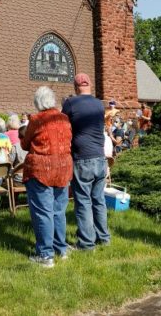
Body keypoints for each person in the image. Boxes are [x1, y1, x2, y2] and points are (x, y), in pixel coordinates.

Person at [22, 86, 73, 268]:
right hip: (63, 167)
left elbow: (25, 143)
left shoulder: (36, 119)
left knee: (43, 212)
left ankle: (45, 255)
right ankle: (61, 248)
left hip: (42, 169)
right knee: (58, 211)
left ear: (37, 103)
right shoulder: (65, 119)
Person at [62, 73, 111, 250]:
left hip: (82, 159)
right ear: (89, 85)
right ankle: (103, 237)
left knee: (83, 202)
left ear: (75, 87)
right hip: (100, 157)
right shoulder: (99, 104)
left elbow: (62, 126)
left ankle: (86, 243)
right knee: (98, 200)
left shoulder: (70, 103)